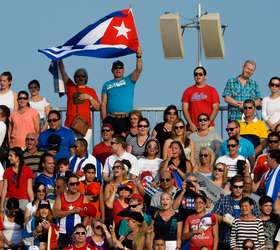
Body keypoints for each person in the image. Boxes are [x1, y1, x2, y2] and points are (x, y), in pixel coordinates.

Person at [101, 47, 142, 135]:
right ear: (112, 70)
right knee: (111, 144)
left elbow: (138, 70)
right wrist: (104, 120)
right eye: (116, 68)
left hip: (126, 118)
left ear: (123, 70)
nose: (118, 70)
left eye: (120, 68)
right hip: (111, 118)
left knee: (126, 143)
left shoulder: (129, 80)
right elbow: (103, 103)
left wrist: (138, 56)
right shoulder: (106, 84)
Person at [212, 175, 259, 250]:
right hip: (226, 240)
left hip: (245, 243)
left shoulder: (250, 202)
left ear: (243, 187)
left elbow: (257, 219)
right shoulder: (223, 200)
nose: (238, 189)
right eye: (235, 186)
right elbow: (213, 215)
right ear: (231, 187)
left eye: (240, 187)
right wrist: (223, 219)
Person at [58, 60, 100, 144]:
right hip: (70, 124)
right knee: (71, 149)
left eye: (82, 76)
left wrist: (89, 97)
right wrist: (60, 59)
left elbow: (98, 107)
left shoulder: (90, 90)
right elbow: (63, 72)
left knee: (83, 150)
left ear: (86, 78)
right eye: (78, 76)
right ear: (75, 78)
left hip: (85, 126)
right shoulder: (70, 87)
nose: (80, 78)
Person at [53, 174, 89, 249]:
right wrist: (72, 211)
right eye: (72, 184)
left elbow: (87, 216)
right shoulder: (61, 197)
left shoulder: (83, 198)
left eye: (77, 184)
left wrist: (80, 232)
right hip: (63, 234)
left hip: (77, 235)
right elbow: (55, 214)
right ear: (67, 185)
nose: (75, 186)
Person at [182, 66, 220, 132]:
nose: (198, 76)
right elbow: (185, 109)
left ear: (205, 77)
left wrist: (208, 123)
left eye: (200, 74)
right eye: (196, 74)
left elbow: (216, 108)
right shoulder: (188, 91)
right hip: (193, 127)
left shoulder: (212, 90)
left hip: (209, 127)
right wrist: (190, 124)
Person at [1, 147, 34, 211]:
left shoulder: (28, 170)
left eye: (11, 156)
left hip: (23, 200)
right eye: (8, 156)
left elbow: (29, 189)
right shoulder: (7, 171)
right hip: (9, 200)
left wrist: (32, 204)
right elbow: (4, 189)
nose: (8, 158)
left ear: (17, 157)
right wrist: (1, 205)